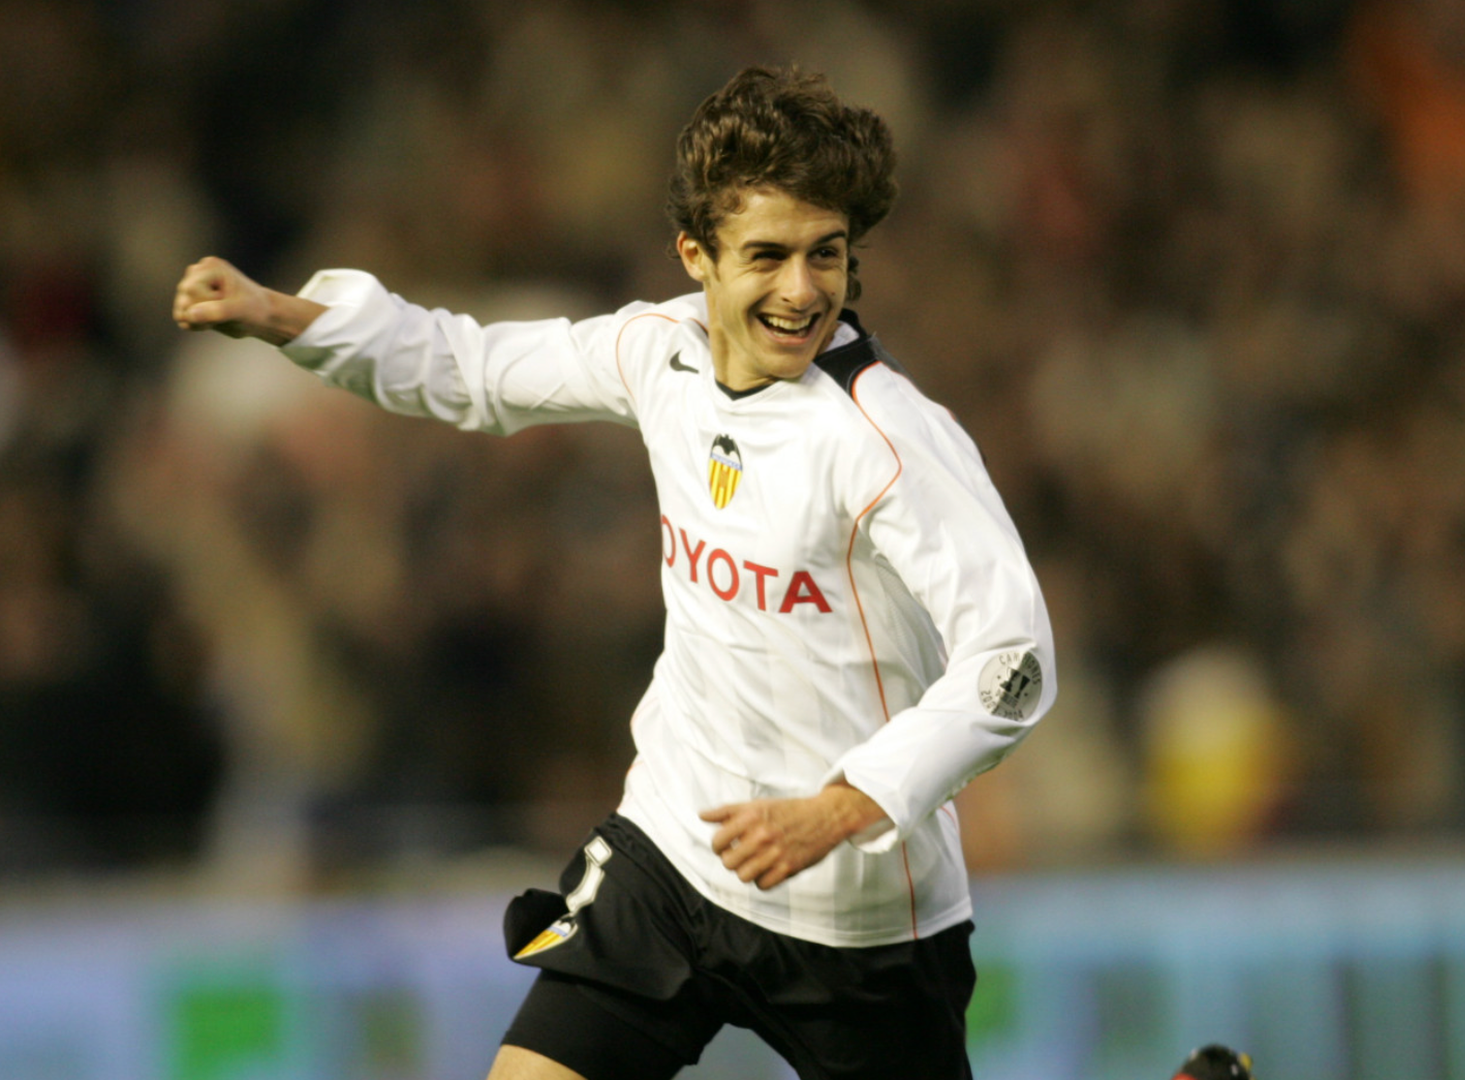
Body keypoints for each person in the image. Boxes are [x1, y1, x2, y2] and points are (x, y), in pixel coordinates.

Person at [173, 65, 1055, 1080]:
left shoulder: (888, 437)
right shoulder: (658, 351)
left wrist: (843, 804)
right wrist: (287, 317)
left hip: (858, 921)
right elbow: (472, 367)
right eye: (766, 256)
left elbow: (1014, 661)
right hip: (671, 862)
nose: (802, 289)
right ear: (698, 258)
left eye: (827, 255)